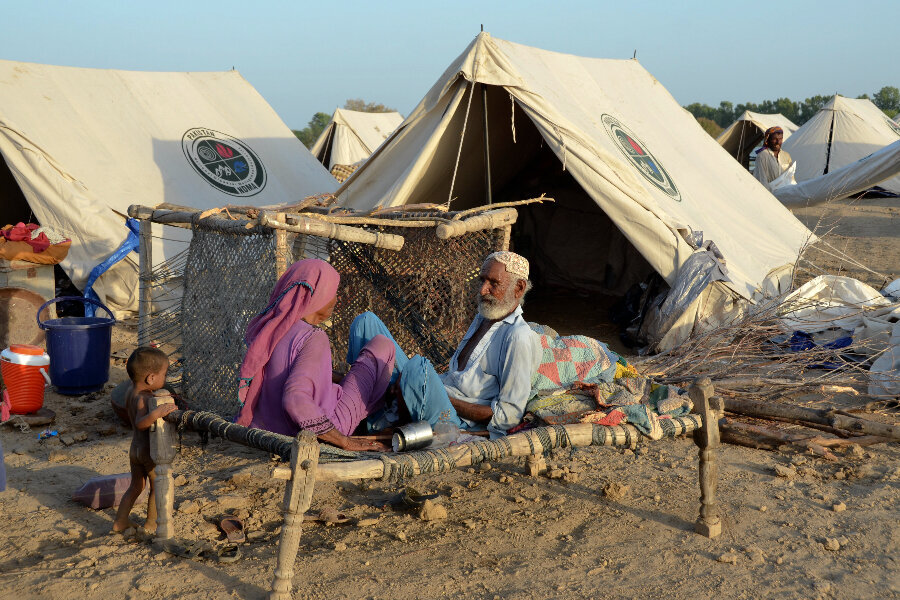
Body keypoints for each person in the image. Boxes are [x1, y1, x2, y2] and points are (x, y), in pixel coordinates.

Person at [350, 251, 542, 438]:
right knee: (366, 322)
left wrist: (435, 395)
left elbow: (508, 417)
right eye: (482, 280)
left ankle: (384, 417)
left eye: (494, 283)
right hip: (440, 392)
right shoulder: (483, 317)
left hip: (458, 421)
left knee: (418, 368)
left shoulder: (518, 336)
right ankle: (356, 403)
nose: (483, 290)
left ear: (519, 288)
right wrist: (422, 388)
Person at [235, 259, 395, 452]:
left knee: (344, 377)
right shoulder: (313, 337)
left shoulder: (273, 329)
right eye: (333, 292)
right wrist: (345, 441)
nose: (336, 299)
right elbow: (295, 399)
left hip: (266, 428)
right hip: (314, 432)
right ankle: (379, 416)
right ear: (318, 295)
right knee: (382, 345)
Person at [112, 347, 177, 533]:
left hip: (135, 450)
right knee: (157, 486)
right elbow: (141, 423)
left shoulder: (130, 392)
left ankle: (120, 521)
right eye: (164, 374)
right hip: (148, 451)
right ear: (151, 378)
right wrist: (157, 412)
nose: (165, 379)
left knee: (136, 486)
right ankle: (150, 523)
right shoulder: (144, 398)